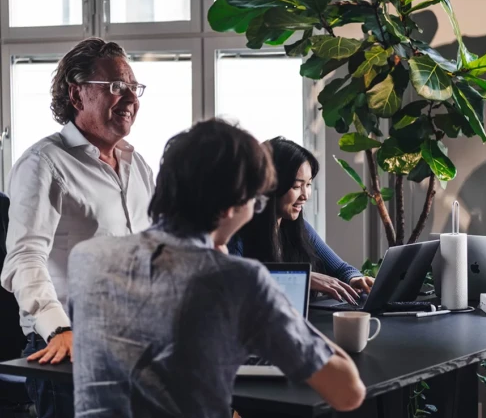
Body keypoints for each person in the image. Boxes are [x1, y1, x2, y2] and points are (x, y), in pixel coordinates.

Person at [68, 119, 366, 416]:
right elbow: (348, 392)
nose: (256, 209)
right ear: (231, 205)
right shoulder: (237, 279)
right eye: (255, 199)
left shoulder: (88, 258)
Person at [0, 38, 155, 418]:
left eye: (134, 88)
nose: (130, 99)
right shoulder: (44, 163)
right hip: (70, 345)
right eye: (116, 87)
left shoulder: (139, 167)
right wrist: (57, 329)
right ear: (77, 92)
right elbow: (24, 258)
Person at [228, 137, 374, 305]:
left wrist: (355, 278)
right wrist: (298, 277)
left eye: (309, 184)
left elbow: (342, 269)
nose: (305, 195)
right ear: (269, 185)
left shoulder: (299, 228)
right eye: (296, 186)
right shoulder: (237, 234)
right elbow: (234, 282)